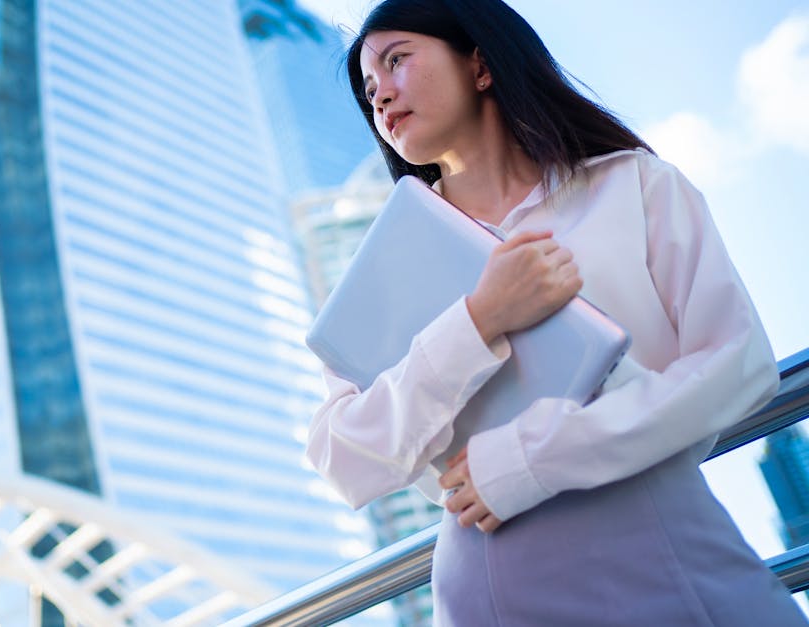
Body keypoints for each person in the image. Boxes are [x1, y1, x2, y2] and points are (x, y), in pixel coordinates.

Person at [304, 0, 808, 624]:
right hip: (488, 582)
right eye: (368, 87)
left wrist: (532, 458)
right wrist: (478, 321)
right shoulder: (387, 265)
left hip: (661, 544)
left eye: (397, 60)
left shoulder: (635, 185)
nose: (379, 95)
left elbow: (738, 366)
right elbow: (342, 460)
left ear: (479, 64)